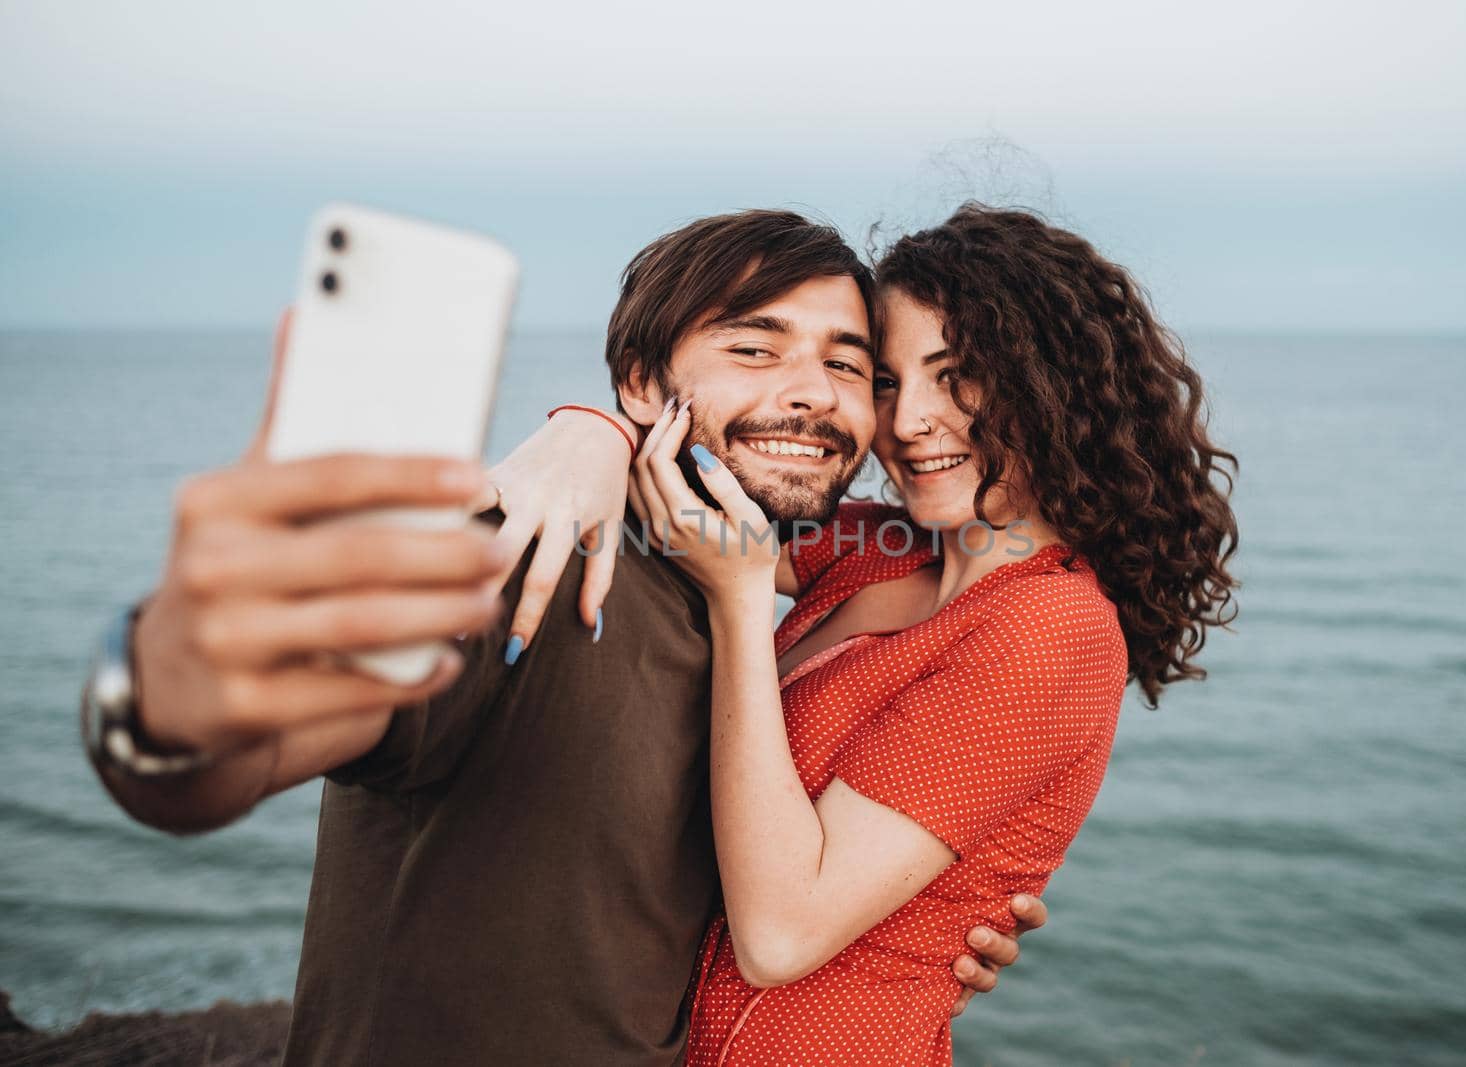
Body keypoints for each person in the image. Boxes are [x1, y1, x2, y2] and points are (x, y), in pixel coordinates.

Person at [80, 209, 1040, 1066]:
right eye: (755, 349)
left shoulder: (747, 594)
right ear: (639, 381)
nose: (815, 395)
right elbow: (228, 759)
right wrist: (175, 683)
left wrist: (932, 911)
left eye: (845, 363)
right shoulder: (537, 560)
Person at [494, 204, 1239, 1063]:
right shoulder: (888, 547)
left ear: (1051, 386)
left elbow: (779, 935)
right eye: (886, 381)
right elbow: (704, 477)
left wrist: (741, 604)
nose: (909, 421)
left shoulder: (1053, 627)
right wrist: (585, 431)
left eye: (957, 375)